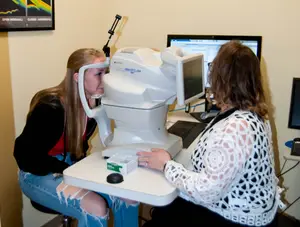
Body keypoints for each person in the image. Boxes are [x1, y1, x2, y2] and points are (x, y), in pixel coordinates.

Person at [138, 41, 285, 227]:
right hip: (249, 208)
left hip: (237, 219)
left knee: (163, 213)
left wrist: (166, 165)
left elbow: (205, 191)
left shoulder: (236, 128)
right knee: (166, 209)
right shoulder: (251, 112)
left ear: (219, 78)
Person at [14, 48, 139, 227]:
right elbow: (25, 157)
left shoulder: (93, 104)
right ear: (78, 77)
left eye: (107, 72)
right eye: (99, 74)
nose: (105, 79)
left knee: (127, 195)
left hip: (69, 165)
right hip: (37, 172)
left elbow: (81, 147)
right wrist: (66, 169)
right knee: (96, 207)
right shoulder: (51, 108)